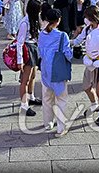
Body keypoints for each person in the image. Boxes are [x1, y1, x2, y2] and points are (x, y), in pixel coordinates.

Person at [71, 6, 99, 126]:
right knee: (86, 86)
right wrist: (67, 41)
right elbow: (78, 41)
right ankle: (94, 104)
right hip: (90, 63)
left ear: (92, 17)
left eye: (86, 17)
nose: (85, 19)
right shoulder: (87, 29)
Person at [38, 8, 73, 137]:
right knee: (61, 99)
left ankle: (47, 123)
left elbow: (40, 52)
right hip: (57, 72)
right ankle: (61, 128)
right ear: (58, 21)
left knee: (47, 98)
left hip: (45, 71)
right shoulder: (62, 36)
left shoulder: (42, 34)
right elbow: (68, 54)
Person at [15, 0, 42, 116]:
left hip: (34, 48)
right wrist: (20, 60)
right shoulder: (24, 23)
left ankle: (31, 96)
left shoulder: (34, 21)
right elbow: (19, 42)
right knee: (25, 80)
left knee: (33, 76)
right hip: (27, 50)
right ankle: (24, 105)